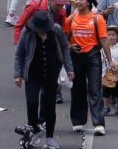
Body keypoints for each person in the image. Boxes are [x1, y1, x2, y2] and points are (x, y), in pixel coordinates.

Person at [14, 11, 74, 149]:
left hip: (51, 73)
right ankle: (33, 131)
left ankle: (50, 138)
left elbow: (65, 47)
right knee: (32, 102)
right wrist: (18, 75)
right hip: (33, 74)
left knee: (49, 106)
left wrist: (69, 68)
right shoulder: (27, 32)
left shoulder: (56, 30)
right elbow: (20, 53)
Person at [65, 0, 111, 136]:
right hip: (75, 56)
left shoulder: (98, 19)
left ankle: (99, 124)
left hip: (93, 56)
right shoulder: (70, 19)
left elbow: (104, 40)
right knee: (77, 89)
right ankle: (78, 121)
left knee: (95, 90)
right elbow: (64, 39)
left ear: (89, 2)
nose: (78, 2)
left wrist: (110, 61)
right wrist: (70, 47)